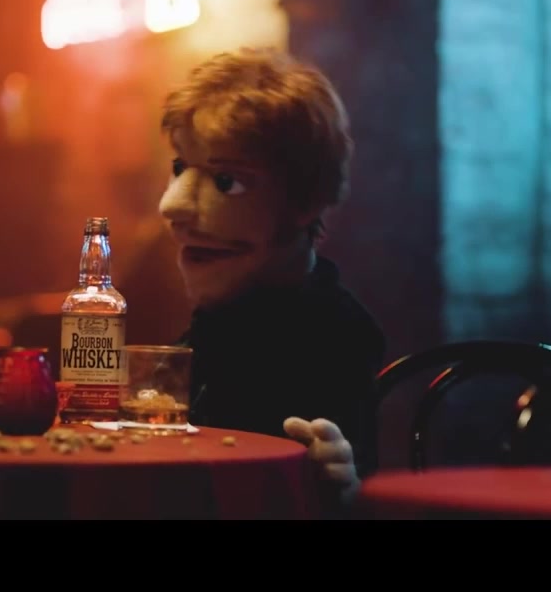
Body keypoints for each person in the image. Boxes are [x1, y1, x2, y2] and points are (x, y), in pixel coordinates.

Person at [157, 47, 386, 506]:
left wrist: (340, 486)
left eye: (227, 181)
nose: (173, 207)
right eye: (180, 167)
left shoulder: (335, 336)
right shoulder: (219, 318)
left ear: (306, 200)